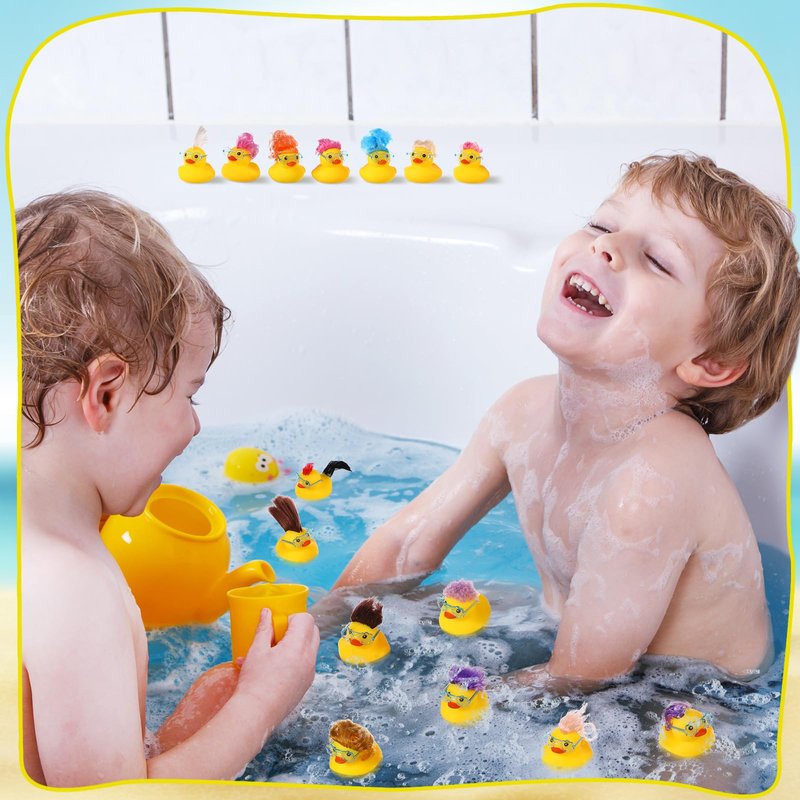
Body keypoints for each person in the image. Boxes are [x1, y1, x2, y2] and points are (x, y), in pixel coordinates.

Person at [334, 154, 800, 685]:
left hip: (693, 700)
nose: (606, 245)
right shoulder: (520, 413)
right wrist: (319, 623)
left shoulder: (653, 480)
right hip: (573, 641)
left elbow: (582, 675)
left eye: (657, 260)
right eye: (602, 224)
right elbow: (407, 544)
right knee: (409, 613)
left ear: (710, 362)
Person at [19, 190, 320, 787]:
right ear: (106, 394)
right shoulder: (73, 587)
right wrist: (261, 703)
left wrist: (195, 721)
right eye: (190, 396)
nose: (195, 427)